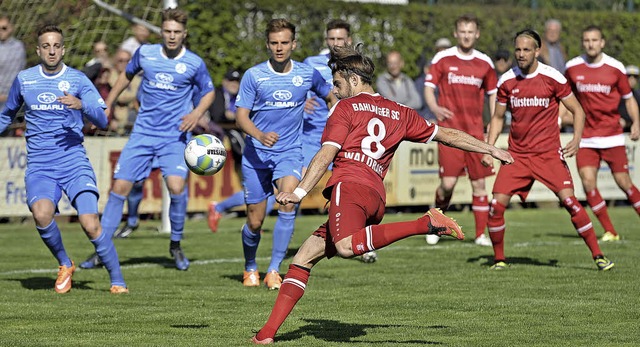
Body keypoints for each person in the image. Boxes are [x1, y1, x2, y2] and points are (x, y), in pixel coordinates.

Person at [250, 43, 514, 345]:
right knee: (303, 257)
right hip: (375, 197)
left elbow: (325, 153)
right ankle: (265, 335)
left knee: (348, 248)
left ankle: (424, 225)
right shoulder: (400, 112)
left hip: (349, 187)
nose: (334, 92)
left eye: (337, 84)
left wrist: (298, 191)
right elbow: (447, 135)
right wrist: (490, 147)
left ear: (353, 79)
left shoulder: (345, 108)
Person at [82, 8, 215, 271]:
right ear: (161, 32)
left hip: (174, 136)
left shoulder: (194, 63)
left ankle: (175, 244)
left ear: (184, 34)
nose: (172, 36)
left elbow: (208, 93)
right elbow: (125, 77)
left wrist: (196, 113)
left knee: (176, 187)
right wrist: (107, 104)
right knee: (119, 188)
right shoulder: (146, 54)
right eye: (167, 31)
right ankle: (101, 250)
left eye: (177, 32)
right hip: (143, 133)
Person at [0, 24, 128, 294]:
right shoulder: (25, 80)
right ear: (38, 50)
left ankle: (117, 279)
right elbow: (7, 114)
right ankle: (64, 263)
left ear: (63, 49)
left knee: (90, 223)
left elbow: (103, 119)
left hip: (73, 161)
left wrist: (82, 106)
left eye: (56, 45)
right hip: (40, 165)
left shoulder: (78, 80)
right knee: (41, 214)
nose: (51, 50)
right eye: (46, 46)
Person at [482, 28, 615, 271]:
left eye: (526, 50)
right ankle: (499, 259)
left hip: (548, 155)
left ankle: (598, 255)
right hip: (518, 157)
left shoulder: (553, 77)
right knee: (496, 206)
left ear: (537, 51)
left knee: (571, 203)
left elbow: (578, 110)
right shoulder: (507, 81)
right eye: (518, 49)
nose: (521, 54)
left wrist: (576, 139)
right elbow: (498, 117)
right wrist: (489, 149)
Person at [235, 18, 336, 289]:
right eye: (274, 43)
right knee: (254, 222)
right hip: (256, 156)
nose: (279, 48)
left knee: (288, 203)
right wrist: (259, 135)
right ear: (267, 45)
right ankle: (250, 266)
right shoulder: (254, 75)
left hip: (289, 152)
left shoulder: (305, 74)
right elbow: (240, 116)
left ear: (294, 44)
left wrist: (336, 116)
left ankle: (273, 270)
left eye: (284, 43)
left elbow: (330, 95)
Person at [424, 14, 497, 246]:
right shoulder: (443, 58)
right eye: (462, 31)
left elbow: (493, 94)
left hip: (475, 133)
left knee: (479, 185)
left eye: (470, 32)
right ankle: (435, 224)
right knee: (447, 185)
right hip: (450, 134)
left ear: (477, 34)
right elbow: (428, 87)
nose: (466, 35)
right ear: (456, 33)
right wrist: (435, 107)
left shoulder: (485, 62)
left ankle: (481, 234)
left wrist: (493, 120)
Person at [564, 25, 640, 241]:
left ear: (602, 42)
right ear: (583, 42)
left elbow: (628, 98)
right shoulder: (572, 67)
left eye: (595, 40)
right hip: (586, 137)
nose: (591, 44)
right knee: (588, 183)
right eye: (587, 40)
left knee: (624, 182)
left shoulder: (615, 68)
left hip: (612, 135)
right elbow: (564, 97)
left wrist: (636, 121)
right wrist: (559, 119)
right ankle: (610, 231)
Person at [0, 15, 26, 136]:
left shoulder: (17, 48)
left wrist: (8, 95)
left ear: (11, 28)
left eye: (4, 28)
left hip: (8, 98)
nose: (1, 31)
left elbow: (15, 73)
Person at [413, 37, 451, 121]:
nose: (443, 54)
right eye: (441, 51)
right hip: (431, 120)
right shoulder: (423, 81)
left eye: (446, 51)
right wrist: (430, 118)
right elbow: (419, 105)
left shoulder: (453, 75)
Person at [619, 65, 640, 132]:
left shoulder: (638, 96)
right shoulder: (616, 95)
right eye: (629, 76)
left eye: (635, 77)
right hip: (616, 132)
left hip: (633, 132)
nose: (632, 79)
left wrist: (627, 122)